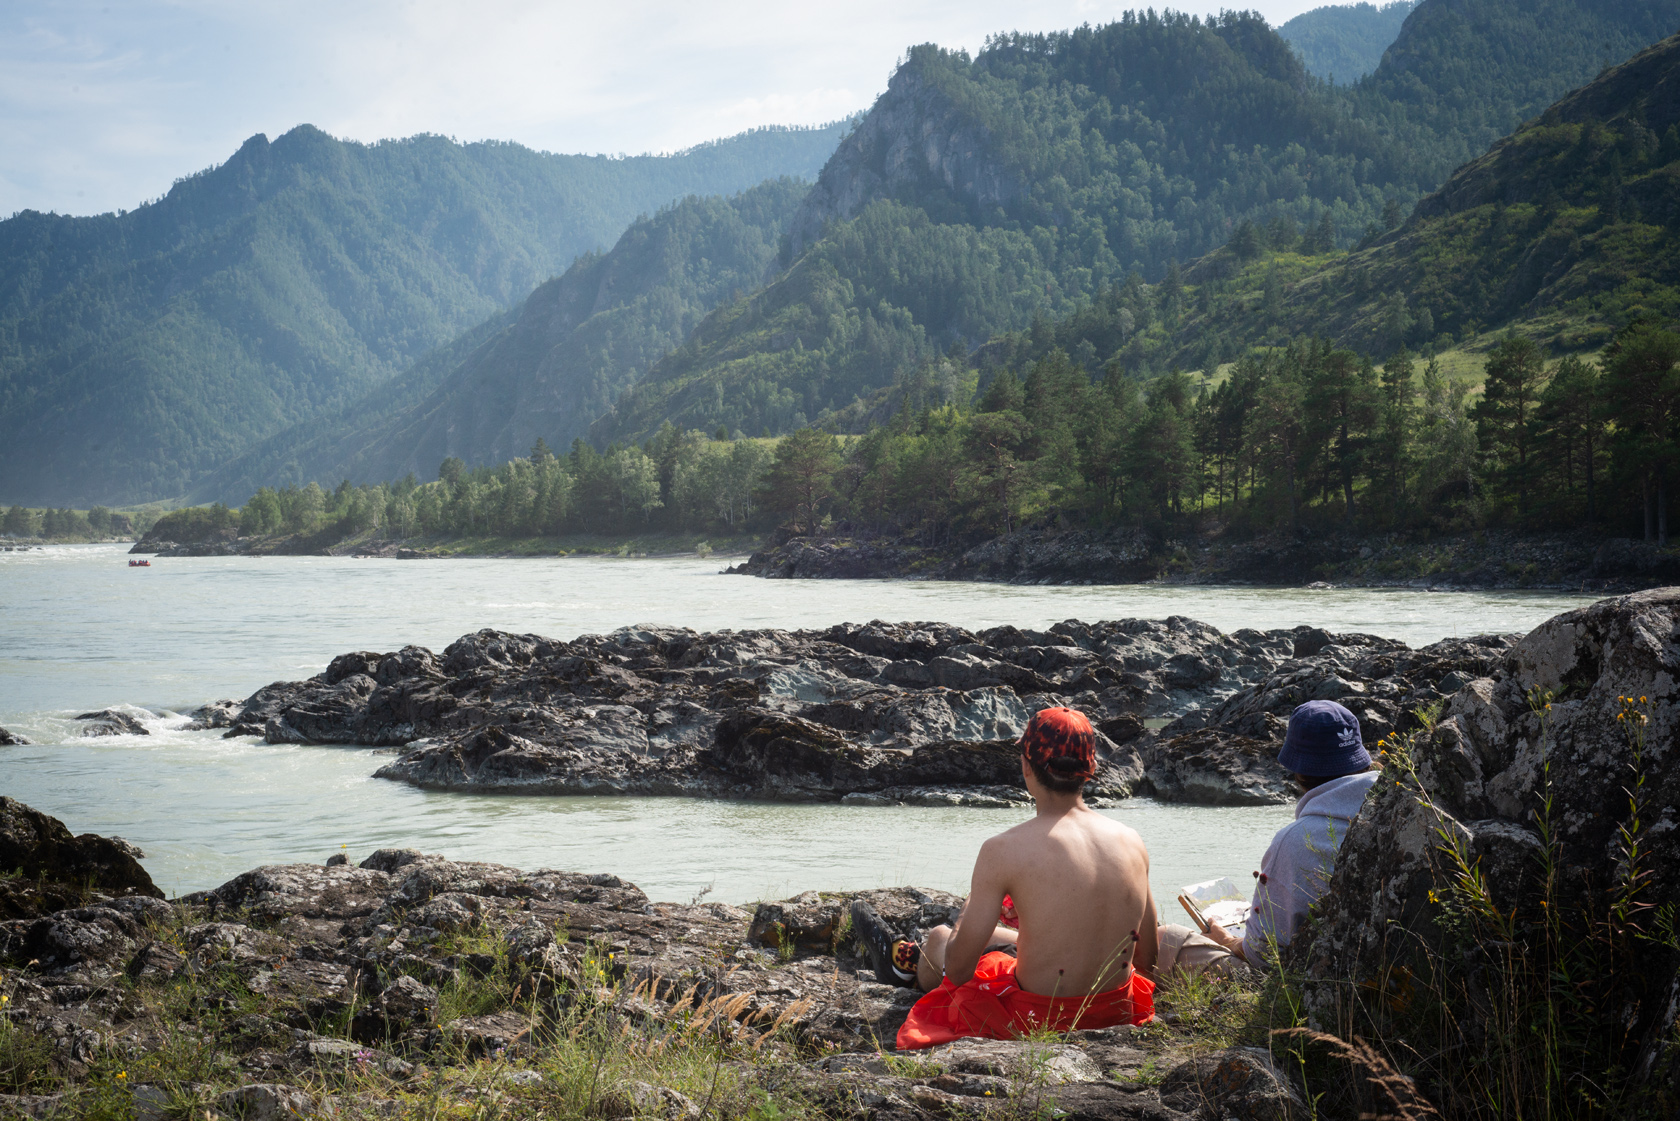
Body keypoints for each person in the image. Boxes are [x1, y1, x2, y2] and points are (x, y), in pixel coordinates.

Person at [850, 706, 1160, 1049]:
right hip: (1116, 1010)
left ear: (1026, 766)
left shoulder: (1004, 850)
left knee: (940, 938)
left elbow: (958, 970)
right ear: (1091, 769)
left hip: (1037, 1016)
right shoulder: (1132, 841)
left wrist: (970, 907)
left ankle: (906, 968)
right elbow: (1147, 960)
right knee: (1019, 939)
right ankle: (905, 961)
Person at [1202, 699, 1378, 967]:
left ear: (1298, 770)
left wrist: (1226, 940)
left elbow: (1264, 955)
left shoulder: (1296, 841)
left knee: (1169, 938)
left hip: (1318, 984)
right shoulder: (1402, 806)